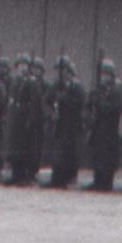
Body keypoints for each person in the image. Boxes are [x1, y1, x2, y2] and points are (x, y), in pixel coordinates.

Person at [84, 60, 122, 191]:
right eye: (102, 74)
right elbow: (89, 103)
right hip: (99, 127)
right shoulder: (99, 89)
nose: (104, 77)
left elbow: (114, 107)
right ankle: (97, 180)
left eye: (106, 74)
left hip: (110, 128)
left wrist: (99, 103)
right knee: (98, 155)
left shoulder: (116, 89)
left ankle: (106, 182)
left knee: (108, 157)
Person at [45, 57, 84, 189]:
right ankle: (57, 178)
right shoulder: (55, 85)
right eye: (58, 70)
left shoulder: (76, 86)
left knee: (70, 152)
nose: (60, 73)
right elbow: (46, 101)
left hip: (72, 124)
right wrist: (51, 113)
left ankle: (69, 178)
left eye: (63, 70)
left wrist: (64, 98)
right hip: (59, 124)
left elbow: (80, 102)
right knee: (58, 152)